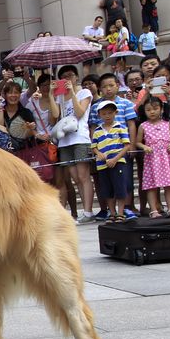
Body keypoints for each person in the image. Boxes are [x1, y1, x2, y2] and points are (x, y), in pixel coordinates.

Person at [88, 73, 139, 220]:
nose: (108, 89)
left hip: (122, 148)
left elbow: (131, 124)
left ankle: (127, 209)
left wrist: (132, 145)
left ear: (117, 85)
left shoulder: (126, 103)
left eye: (111, 85)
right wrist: (95, 148)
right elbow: (93, 127)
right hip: (103, 150)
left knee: (126, 180)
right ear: (99, 89)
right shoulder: (96, 107)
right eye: (104, 86)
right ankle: (112, 211)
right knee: (107, 183)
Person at [55, 65, 96, 223]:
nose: (67, 79)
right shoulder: (59, 96)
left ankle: (88, 211)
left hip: (80, 138)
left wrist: (72, 92)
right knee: (75, 178)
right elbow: (55, 116)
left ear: (76, 77)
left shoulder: (84, 92)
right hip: (64, 140)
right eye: (63, 76)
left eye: (70, 75)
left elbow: (79, 113)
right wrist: (53, 96)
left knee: (83, 176)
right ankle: (85, 212)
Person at [91, 100, 131, 223]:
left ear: (115, 113)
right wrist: (99, 153)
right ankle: (112, 213)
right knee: (107, 189)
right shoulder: (97, 131)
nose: (107, 116)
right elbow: (93, 147)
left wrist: (115, 159)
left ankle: (120, 213)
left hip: (118, 161)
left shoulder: (121, 127)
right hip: (102, 164)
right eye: (104, 113)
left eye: (110, 113)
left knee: (120, 187)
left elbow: (127, 146)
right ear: (99, 115)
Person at [136, 97, 170, 218]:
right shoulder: (143, 126)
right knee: (151, 185)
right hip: (152, 158)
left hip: (167, 157)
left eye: (155, 108)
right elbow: (138, 142)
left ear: (161, 109)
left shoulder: (168, 123)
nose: (152, 112)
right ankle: (154, 210)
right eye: (148, 109)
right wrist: (144, 147)